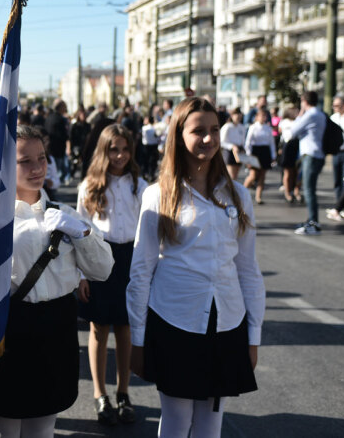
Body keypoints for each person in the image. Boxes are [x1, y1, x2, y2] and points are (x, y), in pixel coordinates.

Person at [0, 125, 111, 438]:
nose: (37, 168)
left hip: (56, 326)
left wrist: (82, 234)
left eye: (42, 158)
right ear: (6, 166)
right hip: (10, 328)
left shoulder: (65, 213)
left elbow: (103, 270)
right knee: (6, 425)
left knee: (43, 424)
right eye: (25, 161)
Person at [127, 97, 264, 438]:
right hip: (174, 319)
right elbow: (141, 271)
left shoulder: (238, 195)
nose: (209, 138)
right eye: (198, 131)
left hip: (227, 320)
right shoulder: (158, 195)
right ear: (178, 135)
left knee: (211, 420)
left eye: (214, 130)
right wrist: (138, 340)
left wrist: (253, 336)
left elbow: (248, 270)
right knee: (176, 417)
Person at [76, 124, 147, 426]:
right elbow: (79, 231)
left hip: (131, 257)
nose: (120, 155)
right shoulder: (89, 186)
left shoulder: (140, 186)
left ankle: (123, 392)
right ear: (103, 151)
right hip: (99, 257)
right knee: (98, 328)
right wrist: (81, 274)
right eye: (114, 149)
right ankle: (100, 393)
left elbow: (148, 231)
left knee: (125, 329)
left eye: (125, 149)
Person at [289, 91, 326, 235]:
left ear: (304, 101)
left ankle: (313, 222)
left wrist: (300, 115)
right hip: (317, 154)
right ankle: (311, 219)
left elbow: (293, 131)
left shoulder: (310, 115)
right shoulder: (320, 114)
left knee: (309, 189)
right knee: (310, 188)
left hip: (310, 154)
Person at [243, 109, 275, 205]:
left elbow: (271, 143)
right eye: (261, 116)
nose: (263, 118)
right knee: (253, 175)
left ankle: (258, 197)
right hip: (255, 152)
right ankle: (241, 193)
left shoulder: (268, 128)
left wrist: (273, 155)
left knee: (262, 176)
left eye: (265, 116)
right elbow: (248, 142)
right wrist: (248, 154)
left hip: (265, 152)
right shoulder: (253, 127)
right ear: (257, 117)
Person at [277, 107, 301, 204]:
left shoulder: (298, 121)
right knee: (288, 172)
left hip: (297, 145)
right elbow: (282, 133)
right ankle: (287, 192)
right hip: (288, 146)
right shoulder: (285, 122)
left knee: (297, 172)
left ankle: (296, 190)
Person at [44, 99, 70, 184]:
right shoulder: (61, 119)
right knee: (56, 173)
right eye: (64, 106)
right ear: (60, 107)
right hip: (58, 150)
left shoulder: (48, 118)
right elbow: (64, 136)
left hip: (49, 149)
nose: (66, 108)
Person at [220, 109, 246, 180]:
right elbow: (221, 142)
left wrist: (243, 148)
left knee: (236, 175)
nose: (238, 117)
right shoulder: (227, 126)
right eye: (236, 115)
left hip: (239, 151)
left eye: (239, 115)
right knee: (231, 176)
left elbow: (243, 141)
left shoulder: (242, 127)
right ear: (232, 116)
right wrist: (232, 146)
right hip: (229, 152)